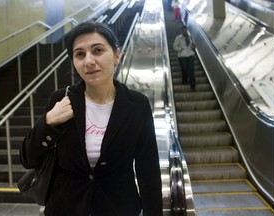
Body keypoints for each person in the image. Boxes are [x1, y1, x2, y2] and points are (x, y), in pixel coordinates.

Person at [20, 21, 163, 216]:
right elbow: (28, 158)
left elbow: (148, 169)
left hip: (118, 208)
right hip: (65, 209)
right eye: (80, 54)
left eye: (97, 50)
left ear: (116, 55)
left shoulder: (137, 105)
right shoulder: (61, 100)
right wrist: (48, 122)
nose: (88, 61)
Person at [173, 25, 196, 90]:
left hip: (190, 54)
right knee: (184, 69)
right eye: (184, 30)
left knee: (191, 69)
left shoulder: (191, 37)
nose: (185, 31)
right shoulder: (178, 38)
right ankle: (185, 81)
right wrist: (180, 49)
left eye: (186, 30)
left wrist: (193, 46)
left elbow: (194, 44)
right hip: (182, 56)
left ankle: (193, 85)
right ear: (182, 30)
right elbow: (174, 46)